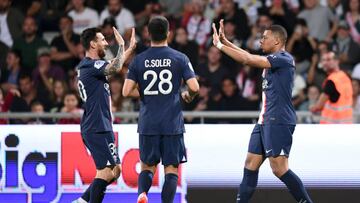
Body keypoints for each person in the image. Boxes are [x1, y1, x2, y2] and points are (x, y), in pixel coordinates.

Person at [212, 20, 313, 203]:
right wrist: (226, 41)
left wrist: (219, 46)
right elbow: (248, 55)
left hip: (278, 119)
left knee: (279, 169)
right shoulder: (272, 61)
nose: (260, 41)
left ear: (276, 41)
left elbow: (247, 59)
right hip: (265, 119)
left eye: (264, 38)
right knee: (250, 163)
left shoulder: (284, 58)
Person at [122, 16, 199, 203]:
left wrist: (148, 93)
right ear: (168, 34)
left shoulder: (139, 60)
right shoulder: (180, 58)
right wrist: (187, 95)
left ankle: (143, 193)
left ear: (148, 34)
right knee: (171, 169)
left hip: (148, 122)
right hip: (172, 122)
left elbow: (126, 91)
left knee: (147, 167)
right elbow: (195, 87)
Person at [72, 26, 136, 203]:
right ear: (93, 44)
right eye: (103, 40)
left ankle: (82, 201)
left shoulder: (91, 67)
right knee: (106, 171)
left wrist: (129, 49)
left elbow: (115, 64)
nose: (106, 43)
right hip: (96, 125)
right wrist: (121, 45)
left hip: (101, 124)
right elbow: (115, 68)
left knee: (115, 170)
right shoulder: (90, 65)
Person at [310, 51, 353, 124]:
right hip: (346, 123)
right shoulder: (345, 77)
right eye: (323, 60)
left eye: (329, 59)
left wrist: (312, 108)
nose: (325, 63)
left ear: (337, 61)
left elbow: (319, 106)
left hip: (333, 125)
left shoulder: (332, 81)